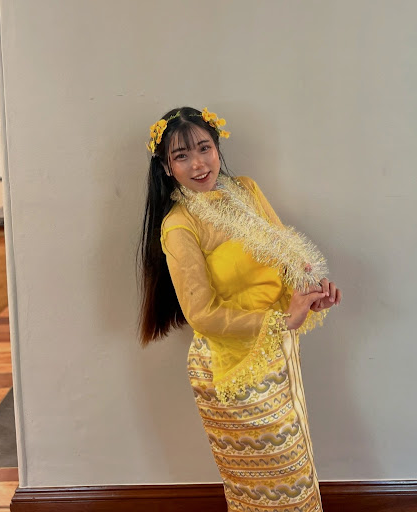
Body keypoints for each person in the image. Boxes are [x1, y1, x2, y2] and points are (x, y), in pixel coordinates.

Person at [138, 106, 341, 512]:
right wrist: (283, 320)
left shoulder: (245, 190)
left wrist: (310, 290)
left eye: (204, 148)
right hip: (230, 366)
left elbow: (286, 253)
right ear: (165, 166)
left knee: (298, 470)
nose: (198, 164)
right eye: (181, 156)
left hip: (277, 349)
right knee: (266, 484)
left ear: (217, 148)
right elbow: (202, 314)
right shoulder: (179, 226)